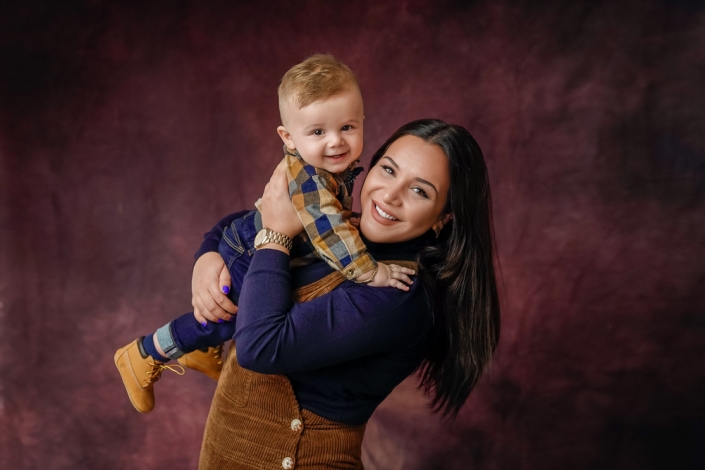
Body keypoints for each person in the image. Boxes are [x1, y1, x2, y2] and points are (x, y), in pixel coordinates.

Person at [114, 54, 414, 414]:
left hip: (251, 240)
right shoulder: (311, 179)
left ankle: (203, 352)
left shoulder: (327, 166)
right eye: (318, 132)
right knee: (220, 314)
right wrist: (371, 272)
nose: (336, 142)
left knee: (231, 312)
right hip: (248, 250)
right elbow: (331, 232)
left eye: (348, 127)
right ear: (288, 138)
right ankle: (146, 352)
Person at [194, 119, 501, 469]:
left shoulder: (401, 295)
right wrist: (207, 256)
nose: (389, 195)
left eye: (420, 191)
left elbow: (260, 347)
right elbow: (244, 224)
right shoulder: (345, 235)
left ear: (443, 218)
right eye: (388, 169)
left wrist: (276, 235)